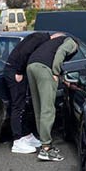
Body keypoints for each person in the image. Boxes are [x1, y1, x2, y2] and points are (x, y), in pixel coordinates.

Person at [26, 33, 78, 162]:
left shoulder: (51, 43)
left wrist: (61, 76)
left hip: (31, 66)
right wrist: (55, 72)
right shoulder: (71, 42)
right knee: (47, 109)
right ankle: (46, 148)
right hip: (45, 69)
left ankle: (43, 141)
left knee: (38, 108)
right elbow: (61, 52)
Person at [3, 31, 51, 154]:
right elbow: (25, 52)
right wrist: (19, 72)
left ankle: (26, 135)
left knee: (24, 105)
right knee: (18, 105)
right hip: (15, 71)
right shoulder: (40, 39)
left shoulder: (39, 37)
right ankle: (17, 141)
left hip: (18, 70)